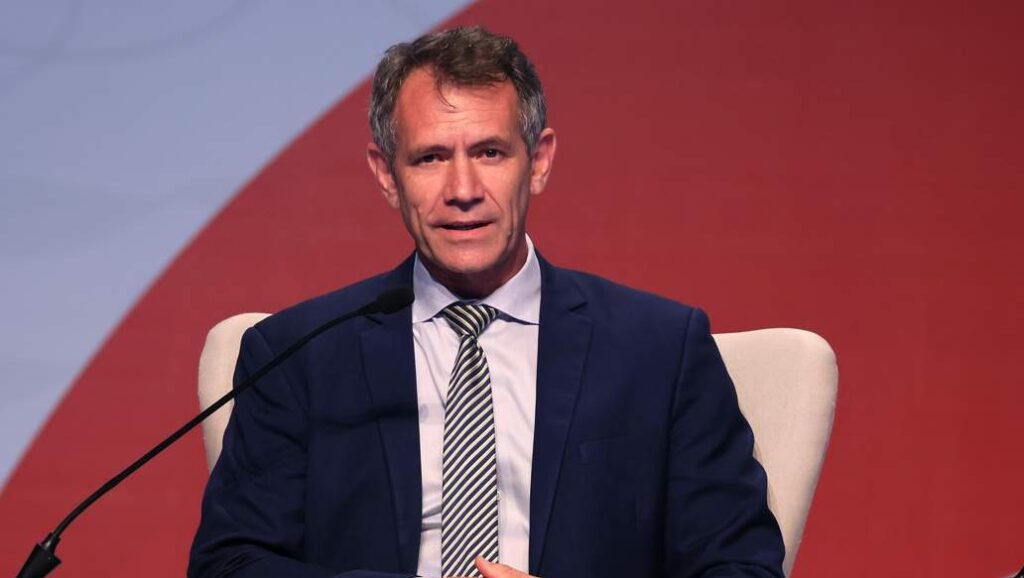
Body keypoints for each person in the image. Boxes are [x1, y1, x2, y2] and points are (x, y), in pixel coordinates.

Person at [189, 26, 784, 578]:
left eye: (490, 153)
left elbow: (741, 567)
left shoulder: (659, 350)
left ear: (539, 162)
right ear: (387, 176)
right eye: (430, 158)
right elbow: (230, 565)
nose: (463, 190)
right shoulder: (297, 357)